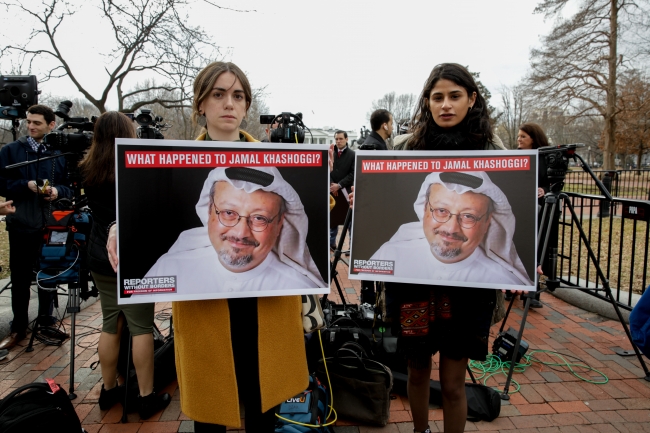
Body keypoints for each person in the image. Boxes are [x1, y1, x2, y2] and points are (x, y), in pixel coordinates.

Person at [108, 61, 309, 433]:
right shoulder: (169, 163)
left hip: (266, 305)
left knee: (263, 406)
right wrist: (118, 225)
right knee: (210, 411)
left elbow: (307, 215)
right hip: (205, 308)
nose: (228, 104)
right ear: (200, 104)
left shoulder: (278, 161)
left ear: (247, 106)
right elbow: (144, 208)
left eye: (237, 95)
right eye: (218, 94)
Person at [382, 64, 514, 433]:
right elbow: (388, 203)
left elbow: (504, 220)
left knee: (455, 381)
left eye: (455, 96)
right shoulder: (405, 147)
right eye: (437, 97)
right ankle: (420, 430)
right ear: (427, 101)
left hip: (467, 291)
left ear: (471, 99)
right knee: (417, 368)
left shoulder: (494, 151)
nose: (445, 105)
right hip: (414, 286)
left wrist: (527, 198)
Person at [78, 111, 171, 419]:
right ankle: (145, 397)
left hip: (99, 254)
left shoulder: (87, 168)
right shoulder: (133, 167)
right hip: (132, 254)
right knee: (141, 326)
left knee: (110, 323)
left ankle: (108, 391)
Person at [144, 166, 325, 296]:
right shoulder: (169, 268)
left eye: (259, 218)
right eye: (229, 213)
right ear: (209, 210)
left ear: (279, 224)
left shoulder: (299, 289)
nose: (240, 233)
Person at [370, 171, 532, 286]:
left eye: (468, 216)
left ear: (487, 221)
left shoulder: (502, 280)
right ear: (425, 208)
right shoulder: (389, 255)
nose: (451, 228)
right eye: (441, 211)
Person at [0, 104, 73, 350]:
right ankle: (19, 326)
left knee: (49, 275)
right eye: (29, 121)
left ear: (51, 125)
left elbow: (70, 187)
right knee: (20, 279)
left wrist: (56, 191)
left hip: (53, 224)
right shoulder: (11, 151)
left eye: (37, 123)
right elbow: (2, 183)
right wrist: (26, 185)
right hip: (21, 224)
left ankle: (47, 322)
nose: (30, 126)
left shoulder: (60, 153)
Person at [516, 122, 552, 308]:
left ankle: (532, 293)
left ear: (533, 138)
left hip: (539, 210)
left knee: (535, 248)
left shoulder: (545, 158)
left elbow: (553, 184)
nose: (519, 140)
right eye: (518, 136)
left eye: (523, 136)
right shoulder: (516, 157)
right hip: (520, 209)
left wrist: (543, 190)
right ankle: (510, 288)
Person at [329, 130, 354, 250]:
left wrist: (339, 185)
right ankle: (331, 243)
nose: (338, 141)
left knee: (349, 221)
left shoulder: (352, 154)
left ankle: (350, 247)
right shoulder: (330, 153)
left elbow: (353, 174)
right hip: (332, 192)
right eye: (336, 139)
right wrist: (331, 185)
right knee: (333, 220)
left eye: (341, 139)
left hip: (346, 192)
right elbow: (326, 169)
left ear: (346, 139)